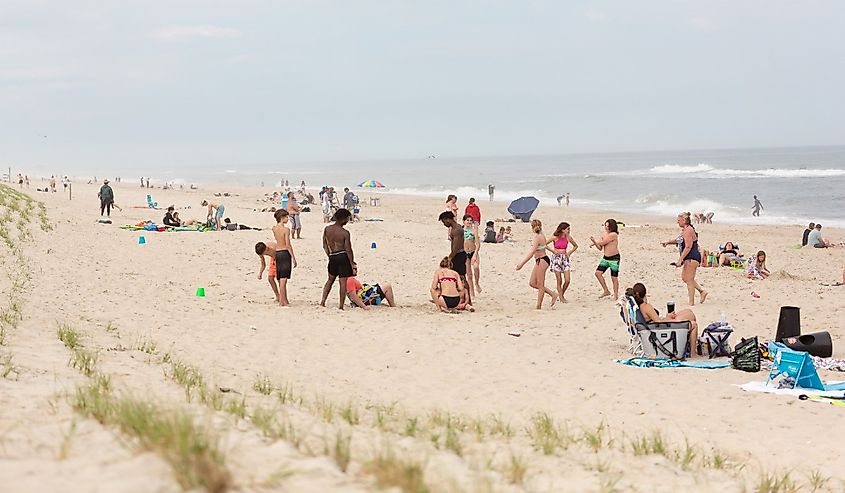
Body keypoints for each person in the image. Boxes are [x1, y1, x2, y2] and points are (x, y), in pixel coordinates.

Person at [630, 283, 698, 357]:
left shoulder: (638, 306)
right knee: (693, 324)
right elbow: (659, 323)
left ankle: (686, 344)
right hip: (660, 329)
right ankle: (693, 353)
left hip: (654, 326)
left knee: (688, 311)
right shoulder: (646, 307)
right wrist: (667, 318)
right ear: (645, 294)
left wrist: (667, 317)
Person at [516, 219, 558, 309]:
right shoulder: (541, 235)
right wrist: (552, 251)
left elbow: (532, 252)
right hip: (540, 260)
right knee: (532, 283)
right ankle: (552, 294)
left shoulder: (537, 237)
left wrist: (522, 264)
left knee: (540, 284)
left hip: (542, 260)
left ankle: (538, 306)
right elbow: (544, 245)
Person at [320, 208, 356, 309]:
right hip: (343, 256)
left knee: (330, 280)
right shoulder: (345, 233)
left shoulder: (327, 229)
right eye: (347, 219)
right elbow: (348, 249)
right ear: (343, 219)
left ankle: (323, 301)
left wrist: (329, 255)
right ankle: (341, 305)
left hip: (332, 256)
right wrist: (352, 263)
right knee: (342, 283)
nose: (348, 221)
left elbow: (324, 245)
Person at [438, 211, 471, 306]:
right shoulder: (457, 228)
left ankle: (467, 300)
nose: (444, 224)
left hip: (458, 255)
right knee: (458, 277)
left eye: (444, 222)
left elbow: (455, 247)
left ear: (448, 219)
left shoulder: (456, 230)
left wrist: (449, 258)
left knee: (461, 277)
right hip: (459, 254)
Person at [675, 213, 708, 305]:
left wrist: (680, 259)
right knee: (685, 278)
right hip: (689, 257)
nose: (677, 221)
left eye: (679, 220)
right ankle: (702, 291)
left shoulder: (688, 230)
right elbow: (679, 240)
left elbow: (688, 246)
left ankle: (691, 303)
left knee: (689, 280)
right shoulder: (685, 230)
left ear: (684, 220)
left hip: (692, 257)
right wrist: (668, 242)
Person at [546, 222, 578, 303]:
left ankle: (561, 294)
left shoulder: (568, 237)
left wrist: (569, 253)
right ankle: (561, 297)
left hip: (565, 259)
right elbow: (544, 244)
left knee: (567, 280)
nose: (569, 230)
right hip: (556, 259)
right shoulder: (555, 237)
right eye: (568, 229)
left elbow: (575, 246)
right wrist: (553, 251)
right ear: (563, 230)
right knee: (559, 280)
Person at [590, 219, 621, 300]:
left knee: (614, 278)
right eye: (605, 226)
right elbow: (600, 247)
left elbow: (603, 242)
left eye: (608, 226)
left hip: (614, 258)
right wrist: (595, 243)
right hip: (606, 258)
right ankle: (606, 290)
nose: (606, 228)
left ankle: (616, 296)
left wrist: (594, 242)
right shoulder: (604, 234)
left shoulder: (613, 234)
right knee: (598, 273)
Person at [272, 209, 296, 306]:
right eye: (286, 217)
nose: (287, 219)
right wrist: (293, 257)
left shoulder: (274, 228)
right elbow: (288, 244)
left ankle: (284, 300)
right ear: (281, 218)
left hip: (278, 252)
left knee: (280, 277)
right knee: (284, 279)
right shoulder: (286, 230)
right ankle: (282, 301)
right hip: (284, 252)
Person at [462, 214, 481, 295]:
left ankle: (477, 283)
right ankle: (472, 293)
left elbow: (478, 244)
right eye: (467, 220)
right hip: (465, 253)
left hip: (473, 251)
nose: (469, 222)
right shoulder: (461, 230)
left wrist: (475, 254)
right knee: (469, 275)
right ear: (464, 221)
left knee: (476, 267)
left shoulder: (474, 230)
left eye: (470, 220)